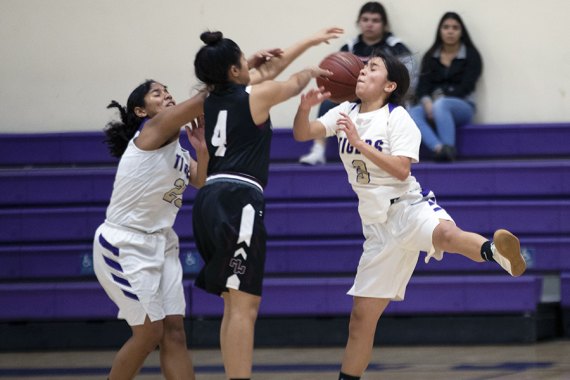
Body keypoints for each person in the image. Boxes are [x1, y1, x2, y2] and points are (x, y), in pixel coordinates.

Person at [292, 51, 526, 380]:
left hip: (406, 206)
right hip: (376, 228)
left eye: (371, 68)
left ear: (389, 85)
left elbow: (402, 170)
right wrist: (304, 108)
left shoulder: (397, 117)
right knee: (360, 320)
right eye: (361, 68)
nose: (361, 72)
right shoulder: (345, 110)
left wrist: (359, 143)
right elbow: (303, 134)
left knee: (445, 234)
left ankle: (497, 252)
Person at [192, 27, 343, 379]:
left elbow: (269, 72)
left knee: (234, 303)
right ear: (234, 71)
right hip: (238, 201)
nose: (251, 62)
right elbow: (290, 83)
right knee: (245, 305)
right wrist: (313, 71)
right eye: (243, 60)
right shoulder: (253, 97)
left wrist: (309, 40)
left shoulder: (208, 98)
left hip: (208, 199)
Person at [93, 80, 208, 379]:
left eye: (167, 90)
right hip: (125, 244)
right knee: (148, 333)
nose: (167, 94)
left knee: (174, 333)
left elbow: (202, 181)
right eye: (157, 93)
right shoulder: (149, 134)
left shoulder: (179, 151)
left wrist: (202, 149)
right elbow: (201, 101)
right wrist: (226, 76)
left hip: (162, 243)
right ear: (141, 111)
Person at [299, 1, 415, 166]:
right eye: (366, 19)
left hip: (383, 96)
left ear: (384, 24)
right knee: (326, 103)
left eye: (375, 20)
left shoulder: (396, 46)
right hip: (355, 95)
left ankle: (394, 151)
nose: (370, 24)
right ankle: (318, 150)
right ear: (359, 22)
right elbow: (335, 73)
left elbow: (409, 76)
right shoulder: (350, 46)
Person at [409, 12, 483, 162]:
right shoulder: (430, 56)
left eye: (455, 28)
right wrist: (426, 102)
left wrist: (436, 102)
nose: (450, 31)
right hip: (433, 105)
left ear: (461, 32)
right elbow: (422, 87)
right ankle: (439, 149)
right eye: (446, 27)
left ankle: (449, 147)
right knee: (413, 112)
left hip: (463, 107)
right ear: (440, 31)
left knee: (442, 104)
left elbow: (466, 88)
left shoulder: (471, 55)